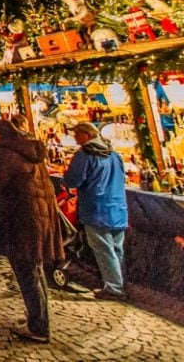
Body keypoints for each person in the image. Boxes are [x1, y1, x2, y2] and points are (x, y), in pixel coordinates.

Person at [0, 119, 63, 344]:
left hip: (21, 220)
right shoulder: (28, 150)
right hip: (39, 218)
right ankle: (38, 318)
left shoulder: (5, 154)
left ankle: (38, 325)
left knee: (27, 272)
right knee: (35, 271)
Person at [63, 121, 129, 301]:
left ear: (87, 135)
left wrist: (66, 179)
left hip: (96, 207)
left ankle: (114, 287)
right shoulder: (113, 154)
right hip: (117, 206)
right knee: (116, 248)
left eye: (77, 134)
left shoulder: (85, 154)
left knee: (103, 248)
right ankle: (119, 281)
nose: (75, 138)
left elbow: (73, 180)